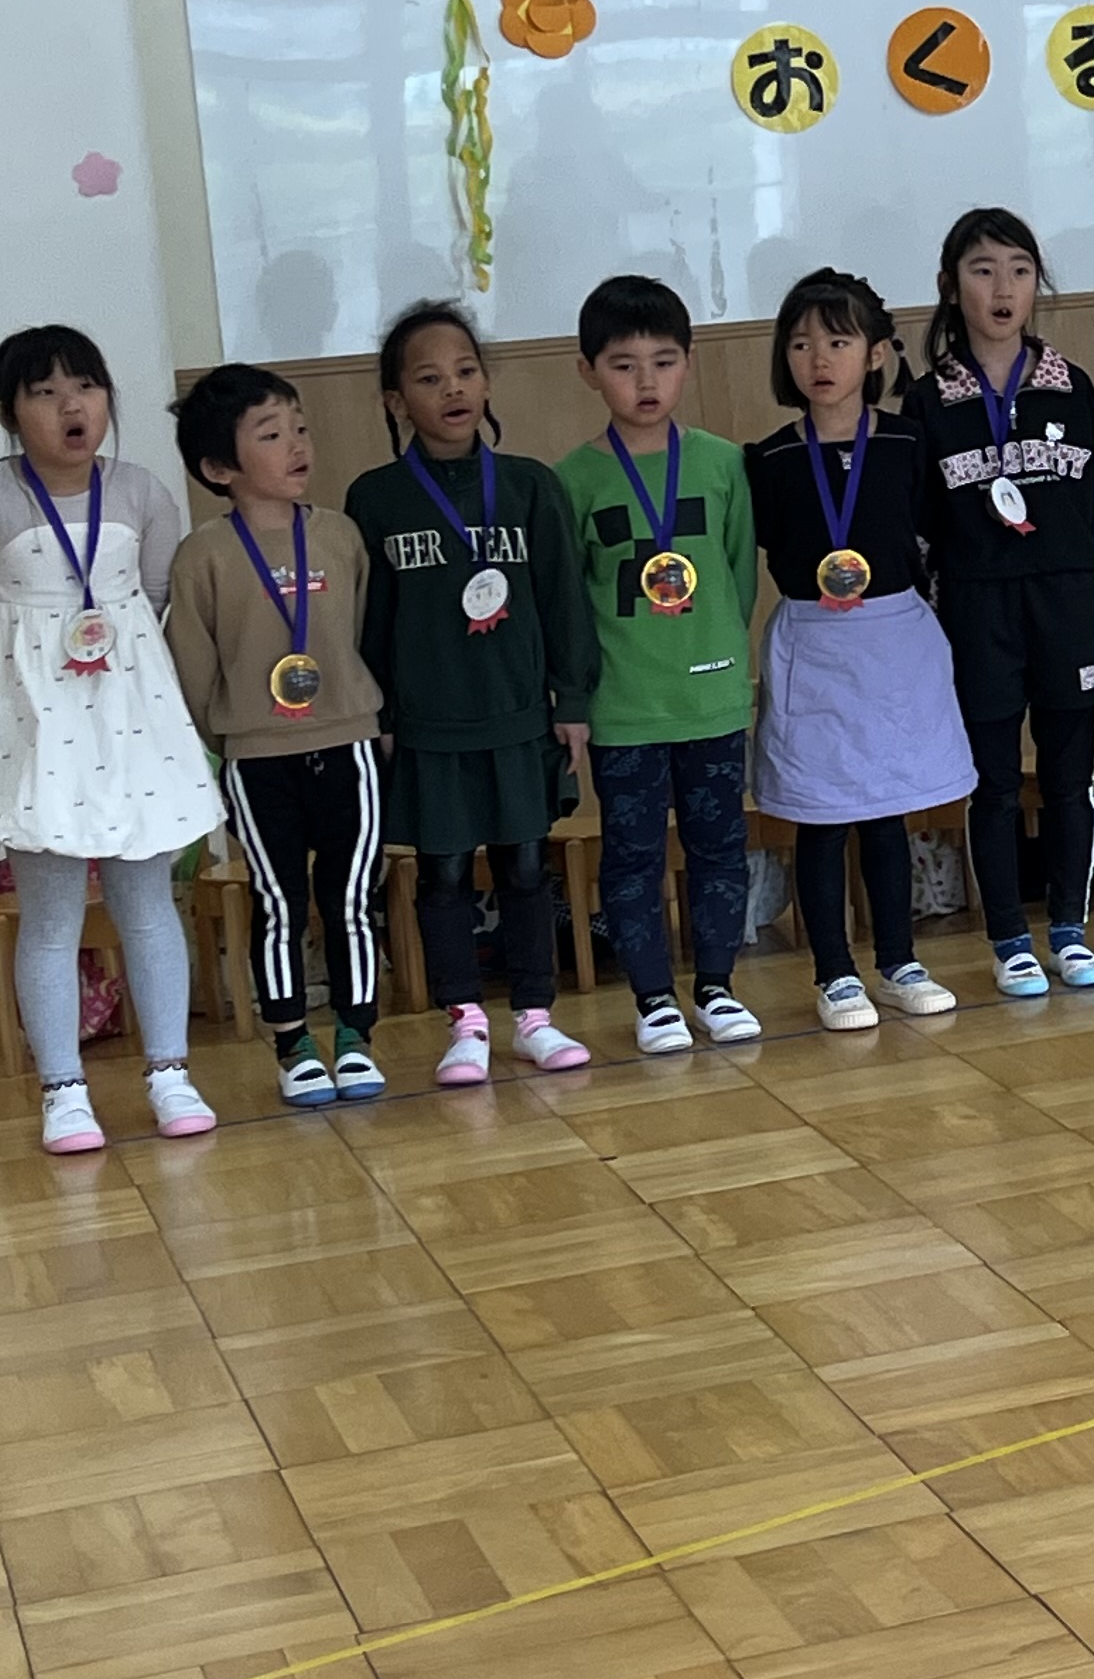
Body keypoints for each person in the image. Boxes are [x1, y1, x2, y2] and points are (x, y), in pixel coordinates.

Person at [0, 323, 227, 1153]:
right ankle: (63, 1090)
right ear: (7, 413)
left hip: (131, 723)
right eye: (45, 392)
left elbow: (154, 601)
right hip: (39, 735)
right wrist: (29, 700)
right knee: (51, 914)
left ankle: (170, 1073)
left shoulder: (142, 493)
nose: (72, 406)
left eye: (86, 387)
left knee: (148, 903)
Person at [345, 299, 595, 1082]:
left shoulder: (530, 486)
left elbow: (563, 601)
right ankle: (465, 1022)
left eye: (465, 371)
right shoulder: (376, 498)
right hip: (429, 725)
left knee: (524, 865)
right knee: (445, 872)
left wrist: (572, 701)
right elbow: (369, 621)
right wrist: (381, 712)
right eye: (429, 379)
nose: (452, 389)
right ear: (396, 401)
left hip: (519, 717)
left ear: (486, 383)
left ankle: (535, 1016)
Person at [746, 266, 968, 1030]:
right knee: (822, 816)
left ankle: (898, 960)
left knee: (885, 809)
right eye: (801, 343)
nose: (819, 359)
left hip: (892, 640)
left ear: (875, 353)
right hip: (814, 645)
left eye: (838, 342)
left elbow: (934, 537)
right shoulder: (771, 458)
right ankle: (834, 972)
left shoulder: (909, 442)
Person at [165, 362, 388, 1104]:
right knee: (279, 901)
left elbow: (359, 633)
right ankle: (294, 1044)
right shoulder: (203, 556)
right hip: (258, 757)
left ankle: (355, 1036)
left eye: (300, 428)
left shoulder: (340, 536)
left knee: (351, 897)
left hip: (349, 744)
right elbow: (194, 670)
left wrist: (351, 711)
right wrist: (236, 736)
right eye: (270, 434)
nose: (297, 445)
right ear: (218, 467)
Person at [557, 275, 761, 1053]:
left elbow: (739, 577)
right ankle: (652, 1000)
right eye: (623, 364)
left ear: (689, 363)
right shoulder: (572, 480)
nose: (646, 382)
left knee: (720, 848)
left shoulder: (722, 464)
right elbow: (571, 600)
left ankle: (716, 986)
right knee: (632, 857)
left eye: (664, 362)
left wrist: (718, 657)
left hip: (711, 698)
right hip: (625, 707)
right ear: (587, 371)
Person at [920, 207, 1094, 996]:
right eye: (983, 271)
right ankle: (1009, 939)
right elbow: (924, 526)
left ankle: (1069, 930)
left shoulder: (1072, 385)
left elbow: (1091, 503)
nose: (1003, 289)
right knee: (995, 783)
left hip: (1065, 602)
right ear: (950, 286)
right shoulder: (929, 398)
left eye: (1019, 270)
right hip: (978, 610)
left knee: (1072, 777)